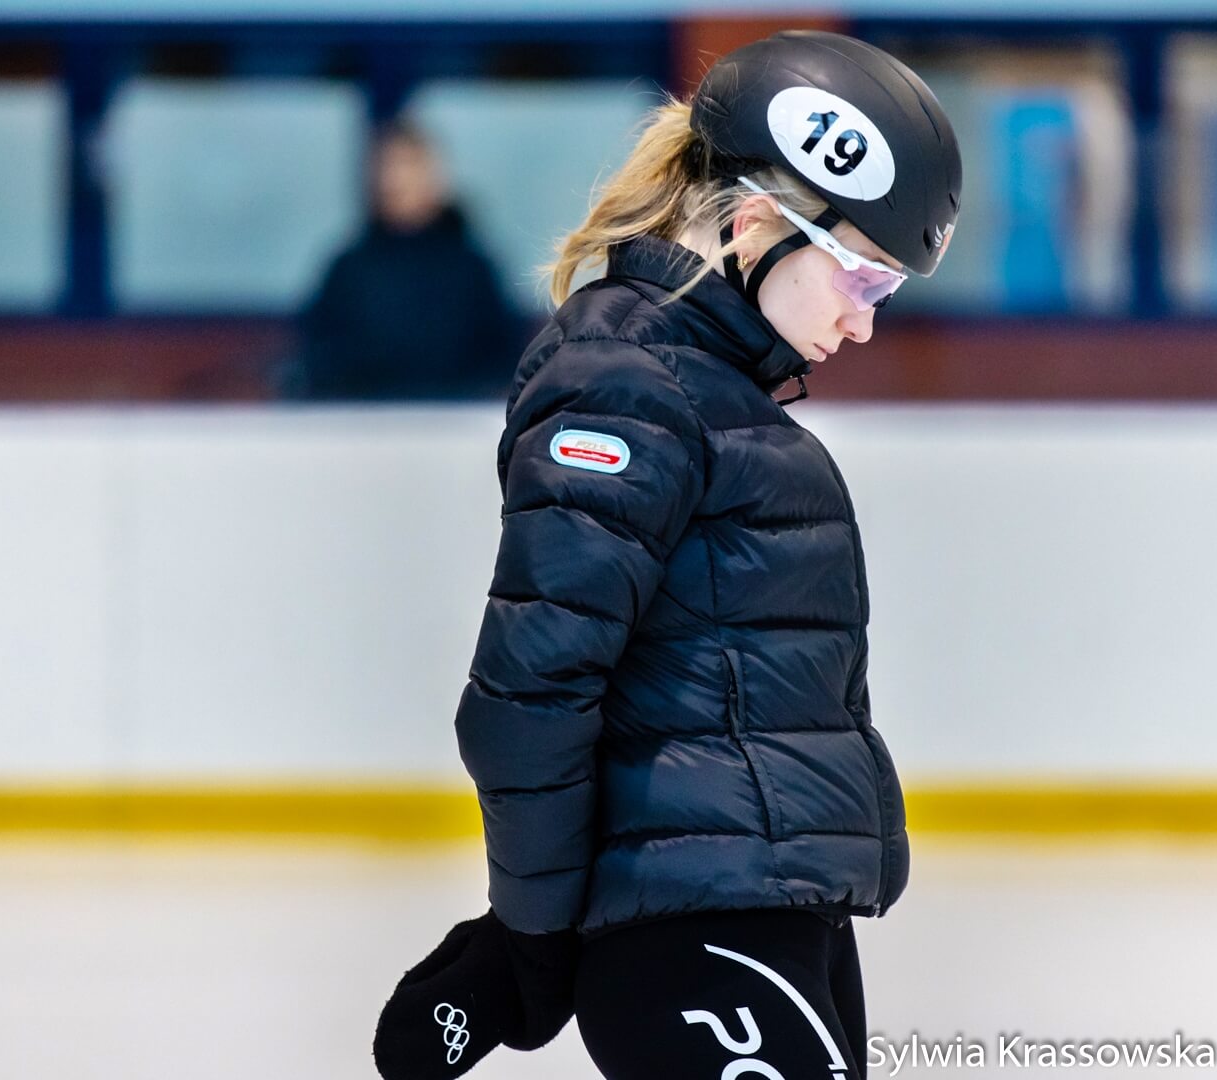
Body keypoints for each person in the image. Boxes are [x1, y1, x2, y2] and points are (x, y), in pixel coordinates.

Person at [372, 29, 961, 1080]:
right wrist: (534, 940)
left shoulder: (704, 387)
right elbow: (530, 693)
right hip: (699, 937)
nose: (865, 324)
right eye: (863, 279)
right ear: (755, 226)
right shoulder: (626, 386)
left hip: (767, 916)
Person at [281, 118, 526, 401]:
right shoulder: (348, 270)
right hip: (361, 420)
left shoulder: (473, 271)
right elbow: (315, 354)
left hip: (456, 419)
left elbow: (504, 358)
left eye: (408, 165)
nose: (395, 179)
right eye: (386, 167)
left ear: (436, 177)